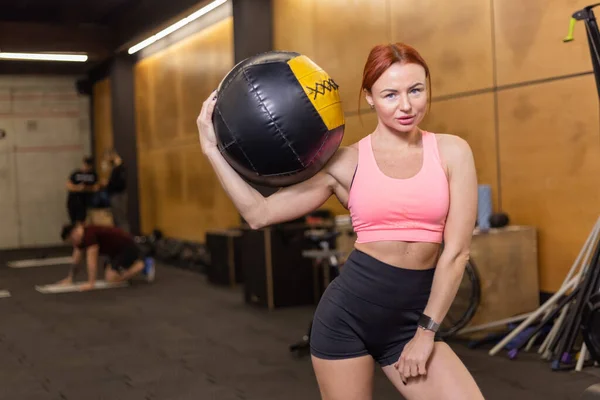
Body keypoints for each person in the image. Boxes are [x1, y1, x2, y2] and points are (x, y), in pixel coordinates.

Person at [197, 42, 484, 399]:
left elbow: (456, 253)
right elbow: (259, 214)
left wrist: (426, 333)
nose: (406, 105)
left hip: (413, 321)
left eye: (416, 90)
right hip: (347, 319)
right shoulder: (345, 163)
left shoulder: (453, 152)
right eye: (390, 94)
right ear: (368, 97)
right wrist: (212, 150)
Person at [58, 223, 155, 291]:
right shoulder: (81, 236)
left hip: (127, 248)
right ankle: (135, 265)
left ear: (74, 233)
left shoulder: (89, 236)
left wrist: (91, 283)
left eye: (72, 240)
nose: (73, 243)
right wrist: (70, 277)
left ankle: (142, 265)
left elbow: (92, 260)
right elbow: (76, 259)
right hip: (115, 251)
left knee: (111, 278)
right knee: (110, 275)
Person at [101, 149, 129, 232]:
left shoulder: (120, 168)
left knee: (120, 218)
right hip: (115, 194)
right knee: (116, 218)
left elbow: (118, 182)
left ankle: (124, 237)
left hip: (118, 195)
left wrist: (107, 183)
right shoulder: (114, 168)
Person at [66, 156, 99, 224]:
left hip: (85, 203)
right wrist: (78, 188)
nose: (86, 167)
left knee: (82, 222)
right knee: (73, 222)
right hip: (73, 201)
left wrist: (86, 188)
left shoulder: (93, 175)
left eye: (88, 166)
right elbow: (68, 185)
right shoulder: (76, 174)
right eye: (85, 165)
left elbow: (96, 188)